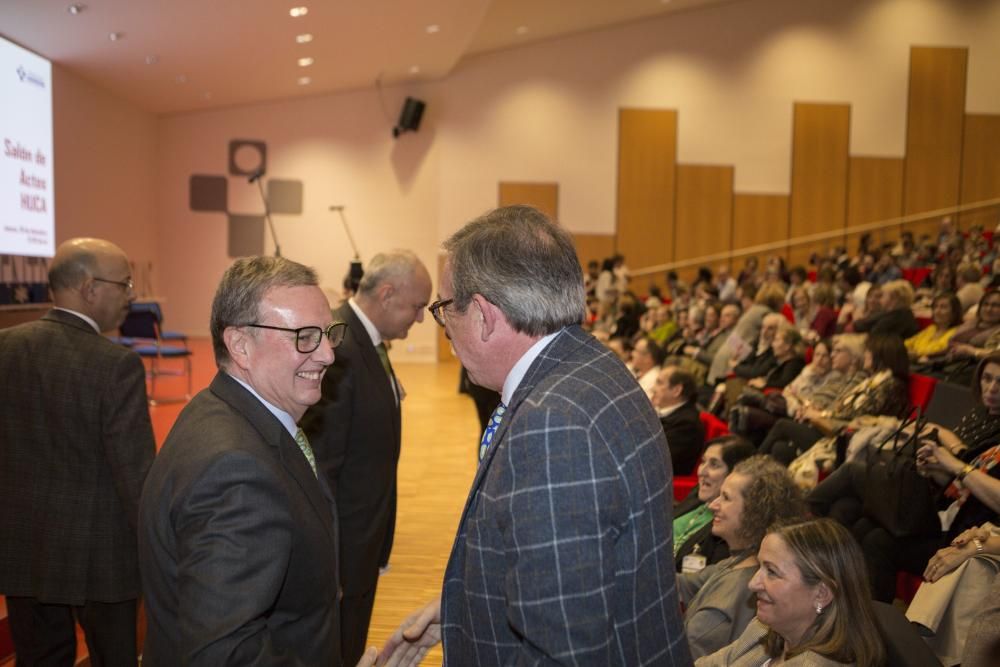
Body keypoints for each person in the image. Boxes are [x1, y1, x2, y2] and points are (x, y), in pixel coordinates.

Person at [380, 205, 692, 665]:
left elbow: (563, 647)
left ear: (484, 314)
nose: (443, 328)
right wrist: (460, 611)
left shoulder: (554, 426)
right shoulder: (589, 368)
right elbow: (569, 569)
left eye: (445, 308)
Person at [139, 256, 373, 665]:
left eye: (327, 333)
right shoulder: (235, 472)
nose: (327, 356)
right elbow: (224, 654)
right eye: (304, 336)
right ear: (240, 345)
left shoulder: (224, 411)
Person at [0, 238, 156, 666]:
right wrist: (160, 548)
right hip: (101, 559)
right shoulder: (116, 365)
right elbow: (137, 477)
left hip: (23, 550)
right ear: (89, 288)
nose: (131, 296)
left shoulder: (5, 347)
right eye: (125, 284)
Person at [299, 250, 431, 666]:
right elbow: (323, 465)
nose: (421, 318)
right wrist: (332, 563)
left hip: (362, 538)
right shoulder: (340, 345)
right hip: (344, 548)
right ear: (388, 294)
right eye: (417, 306)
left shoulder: (368, 341)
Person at [696, 519, 885, 667]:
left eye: (772, 572)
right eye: (759, 566)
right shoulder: (763, 630)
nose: (753, 584)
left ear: (822, 594)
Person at [678, 456, 805, 658]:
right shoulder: (739, 561)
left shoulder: (739, 588)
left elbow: (682, 657)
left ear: (755, 511)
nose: (713, 505)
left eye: (726, 498)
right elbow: (682, 583)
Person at [759, 334, 910, 466]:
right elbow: (841, 407)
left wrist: (820, 416)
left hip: (845, 437)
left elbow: (857, 416)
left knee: (782, 425)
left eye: (869, 351)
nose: (866, 354)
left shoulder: (889, 384)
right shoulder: (872, 382)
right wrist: (817, 413)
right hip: (832, 428)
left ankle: (749, 469)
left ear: (881, 354)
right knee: (780, 448)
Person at [673, 437, 756, 571]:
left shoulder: (726, 527)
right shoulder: (699, 495)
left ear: (735, 474)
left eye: (714, 465)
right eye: (703, 462)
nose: (701, 472)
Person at [653, 366, 707, 475]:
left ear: (676, 390)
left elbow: (655, 459)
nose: (653, 388)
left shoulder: (687, 425)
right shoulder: (667, 412)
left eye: (659, 383)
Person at [906, 292, 963, 363]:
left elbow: (939, 352)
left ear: (954, 312)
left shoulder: (958, 332)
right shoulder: (932, 328)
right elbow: (908, 343)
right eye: (935, 307)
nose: (937, 311)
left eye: (943, 307)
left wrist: (917, 354)